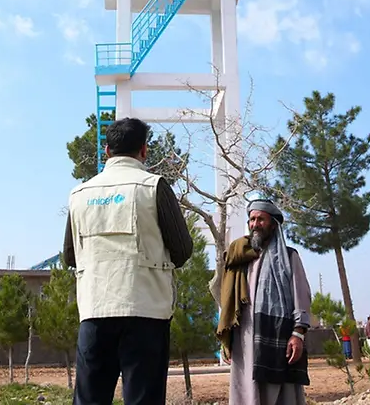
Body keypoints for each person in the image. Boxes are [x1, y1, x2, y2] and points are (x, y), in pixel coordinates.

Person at [63, 117, 193, 405]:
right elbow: (183, 249)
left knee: (90, 400)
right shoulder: (154, 186)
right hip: (145, 312)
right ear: (144, 150)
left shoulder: (79, 194)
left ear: (106, 151)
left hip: (94, 311)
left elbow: (70, 256)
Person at [216, 200, 312, 405]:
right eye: (252, 219)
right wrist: (227, 340)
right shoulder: (240, 258)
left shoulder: (288, 256)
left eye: (261, 219)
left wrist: (298, 334)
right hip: (244, 337)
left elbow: (301, 296)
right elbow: (229, 301)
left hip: (278, 336)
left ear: (273, 224)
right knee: (247, 392)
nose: (255, 224)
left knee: (282, 394)